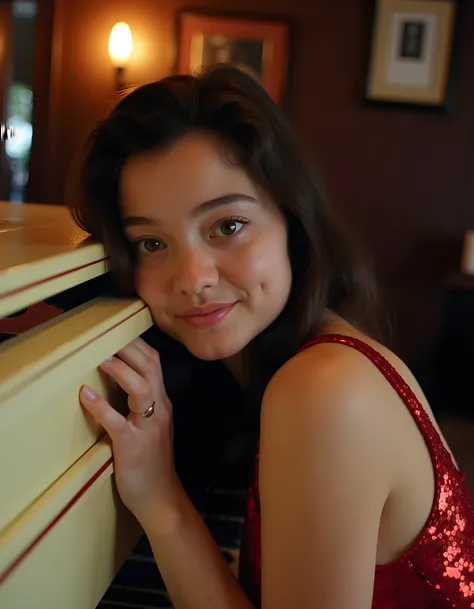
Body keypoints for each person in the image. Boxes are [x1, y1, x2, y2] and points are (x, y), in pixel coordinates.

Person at [71, 65, 474, 609]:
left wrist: (161, 499)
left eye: (228, 226)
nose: (192, 278)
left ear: (293, 220)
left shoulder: (323, 389)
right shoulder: (294, 367)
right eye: (150, 243)